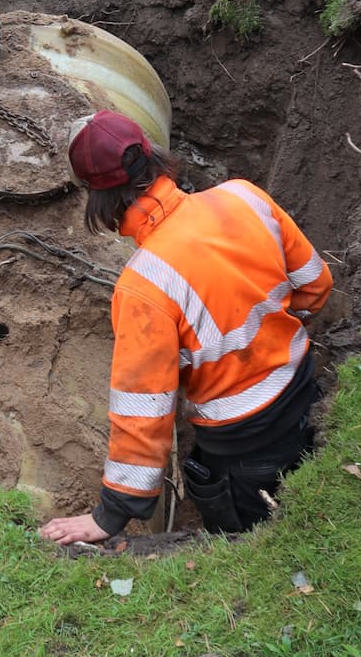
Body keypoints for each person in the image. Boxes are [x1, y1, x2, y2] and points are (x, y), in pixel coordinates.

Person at [39, 109, 333, 547]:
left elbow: (144, 411)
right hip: (303, 392)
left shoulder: (145, 286)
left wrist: (110, 515)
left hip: (242, 446)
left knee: (247, 545)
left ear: (98, 199)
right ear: (153, 158)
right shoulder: (244, 196)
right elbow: (316, 284)